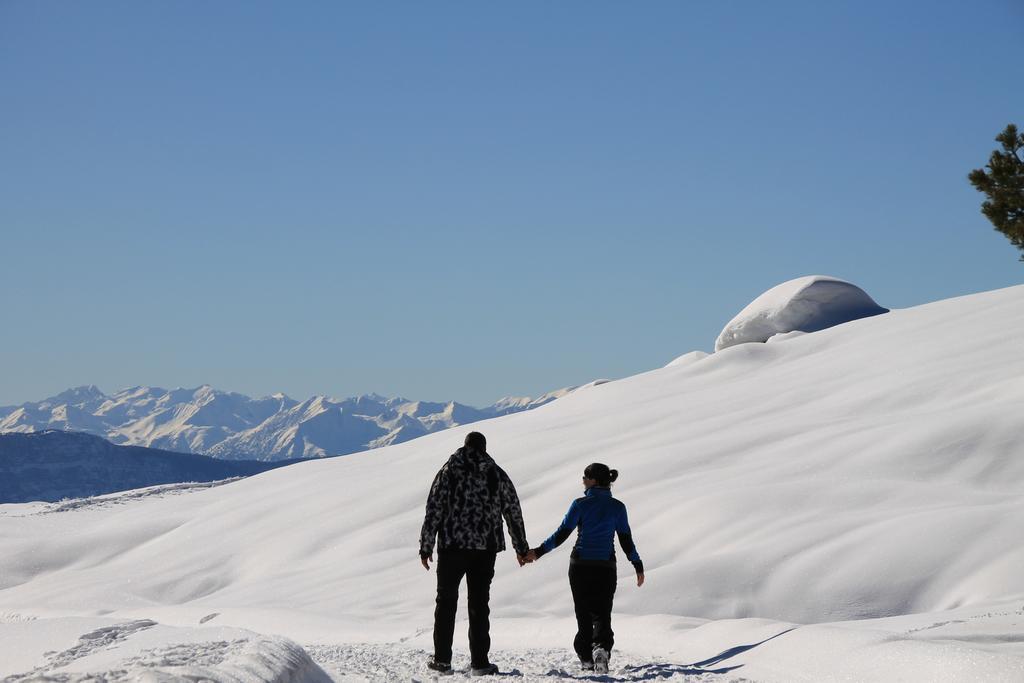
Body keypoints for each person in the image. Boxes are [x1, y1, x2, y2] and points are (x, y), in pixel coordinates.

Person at [419, 431, 530, 676]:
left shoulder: (448, 471)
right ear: (484, 447)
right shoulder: (496, 473)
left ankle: (442, 661)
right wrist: (521, 548)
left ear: (465, 445)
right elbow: (513, 511)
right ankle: (480, 662)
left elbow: (434, 509)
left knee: (446, 602)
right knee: (479, 604)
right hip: (485, 548)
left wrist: (426, 546)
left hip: (452, 546)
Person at [525, 463, 644, 674]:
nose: (582, 481)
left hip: (580, 565)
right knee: (602, 613)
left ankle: (586, 658)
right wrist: (637, 564)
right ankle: (601, 648)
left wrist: (538, 552)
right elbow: (626, 539)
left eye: (585, 477)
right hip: (605, 566)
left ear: (594, 481)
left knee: (583, 614)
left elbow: (561, 534)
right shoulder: (618, 507)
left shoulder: (580, 504)